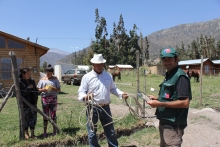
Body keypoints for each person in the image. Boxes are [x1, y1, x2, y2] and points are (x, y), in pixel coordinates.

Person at [78, 54, 129, 147]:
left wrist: (121, 94)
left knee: (111, 131)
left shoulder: (108, 75)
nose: (99, 66)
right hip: (92, 108)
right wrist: (86, 97)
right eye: (97, 64)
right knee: (92, 133)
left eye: (101, 64)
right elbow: (81, 92)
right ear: (93, 64)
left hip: (106, 108)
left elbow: (113, 89)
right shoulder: (87, 77)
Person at [147, 47, 192, 147]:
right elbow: (172, 96)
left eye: (170, 59)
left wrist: (160, 104)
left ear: (176, 59)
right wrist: (157, 98)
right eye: (164, 59)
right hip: (165, 121)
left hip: (173, 124)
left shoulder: (180, 77)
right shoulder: (170, 75)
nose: (167, 62)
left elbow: (185, 102)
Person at [37, 64, 61, 138]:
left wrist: (54, 88)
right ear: (45, 72)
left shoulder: (55, 79)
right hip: (45, 98)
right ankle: (45, 131)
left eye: (50, 74)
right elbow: (38, 89)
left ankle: (54, 130)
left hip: (53, 98)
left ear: (52, 73)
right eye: (48, 74)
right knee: (45, 115)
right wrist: (43, 89)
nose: (49, 75)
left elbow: (59, 89)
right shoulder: (42, 80)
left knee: (53, 115)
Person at [19, 68, 38, 139]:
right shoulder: (20, 82)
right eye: (27, 74)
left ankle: (33, 134)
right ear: (23, 74)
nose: (29, 75)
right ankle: (27, 134)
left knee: (33, 119)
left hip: (33, 104)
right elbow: (21, 94)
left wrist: (36, 98)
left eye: (30, 73)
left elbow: (35, 90)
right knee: (26, 119)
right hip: (24, 104)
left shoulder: (32, 81)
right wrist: (28, 88)